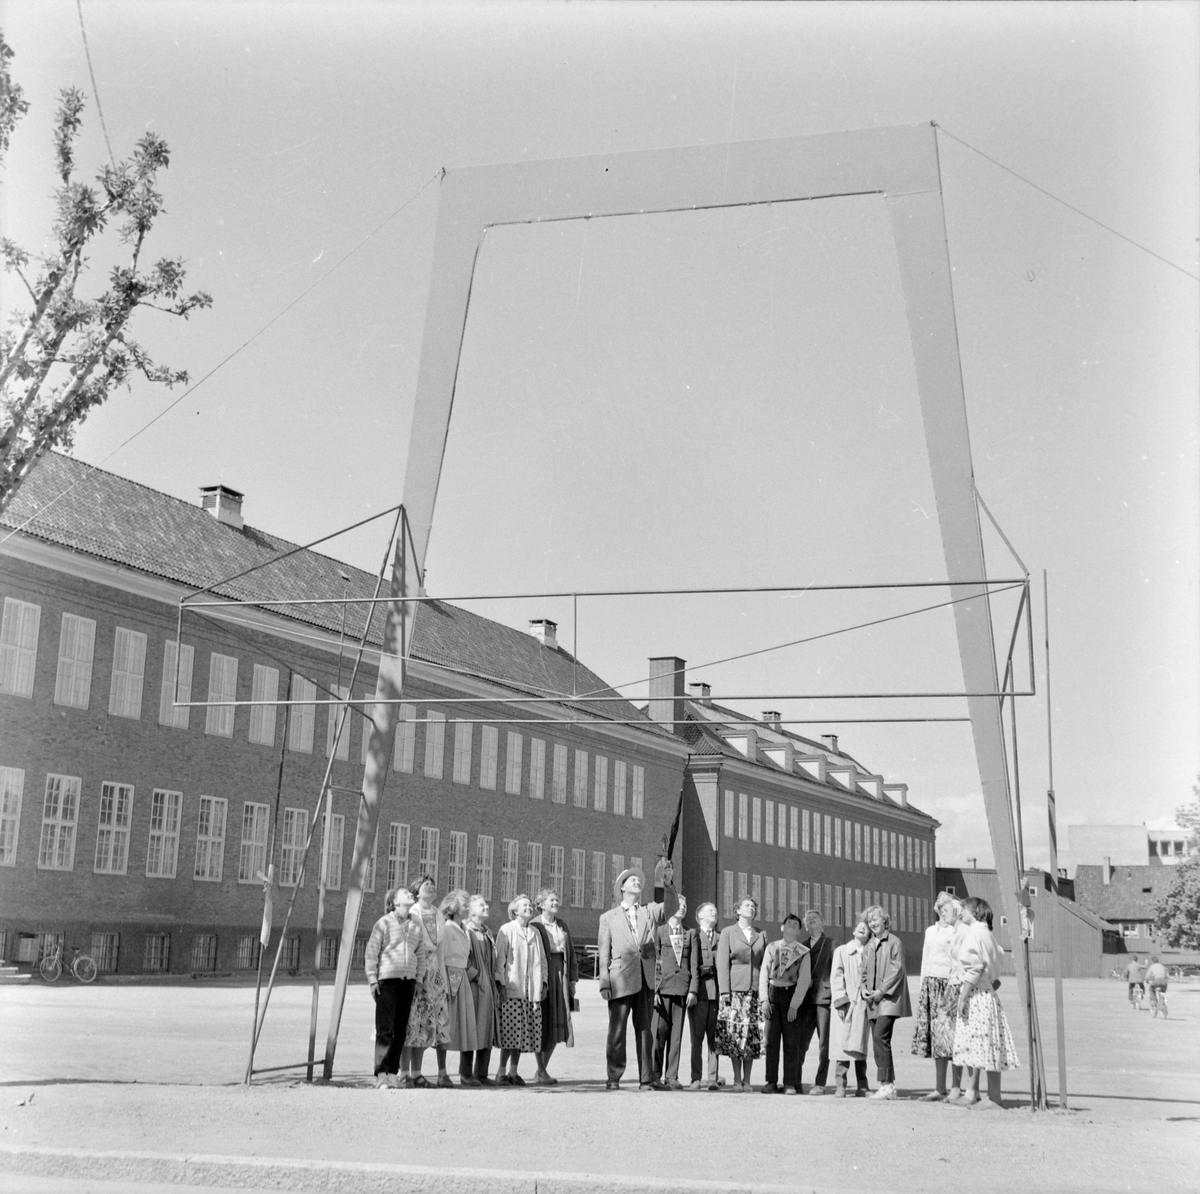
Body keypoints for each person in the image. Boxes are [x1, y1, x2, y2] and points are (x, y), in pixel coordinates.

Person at [597, 865, 669, 1090]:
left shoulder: (649, 911)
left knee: (645, 1030)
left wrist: (667, 882)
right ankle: (614, 1077)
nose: (638, 882)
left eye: (639, 880)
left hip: (645, 978)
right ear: (622, 888)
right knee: (617, 1030)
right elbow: (603, 953)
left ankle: (646, 1078)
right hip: (620, 978)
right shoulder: (608, 917)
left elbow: (673, 908)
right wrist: (604, 982)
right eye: (632, 880)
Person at [952, 896, 1018, 1110]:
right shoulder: (988, 934)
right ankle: (987, 1094)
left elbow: (974, 968)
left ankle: (994, 1098)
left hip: (976, 995)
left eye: (964, 908)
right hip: (986, 994)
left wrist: (963, 997)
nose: (960, 912)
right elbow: (996, 966)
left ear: (975, 911)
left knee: (982, 1044)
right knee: (986, 1045)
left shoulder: (974, 934)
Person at [364, 886, 422, 1088]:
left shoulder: (416, 924)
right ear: (395, 902)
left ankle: (392, 1072)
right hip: (387, 981)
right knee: (384, 1029)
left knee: (400, 1031)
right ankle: (381, 1073)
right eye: (405, 893)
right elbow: (372, 951)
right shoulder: (384, 923)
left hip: (408, 982)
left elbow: (420, 953)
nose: (410, 895)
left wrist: (419, 979)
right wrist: (372, 979)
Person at [913, 892, 967, 1101]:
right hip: (930, 985)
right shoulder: (930, 931)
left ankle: (956, 1087)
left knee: (951, 1037)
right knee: (937, 1039)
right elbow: (926, 958)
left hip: (948, 984)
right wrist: (922, 986)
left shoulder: (956, 931)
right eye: (940, 907)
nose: (943, 911)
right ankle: (939, 1087)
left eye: (947, 907)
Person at [402, 874, 451, 1087]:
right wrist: (415, 977)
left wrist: (442, 979)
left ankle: (418, 1073)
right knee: (413, 1022)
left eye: (433, 884)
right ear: (416, 891)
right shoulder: (413, 913)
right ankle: (405, 1073)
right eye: (426, 884)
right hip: (417, 969)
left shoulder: (439, 914)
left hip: (435, 973)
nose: (430, 886)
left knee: (429, 1024)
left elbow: (440, 949)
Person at [494, 893, 547, 1085]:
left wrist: (544, 983)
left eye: (530, 905)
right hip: (512, 988)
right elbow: (500, 959)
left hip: (531, 991)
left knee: (524, 1034)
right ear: (515, 910)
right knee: (510, 1033)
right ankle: (501, 1072)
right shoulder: (506, 930)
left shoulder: (535, 932)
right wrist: (500, 984)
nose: (529, 907)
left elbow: (542, 960)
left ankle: (513, 1072)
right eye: (524, 905)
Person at [716, 895, 768, 1091]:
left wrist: (764, 993)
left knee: (752, 1036)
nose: (751, 908)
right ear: (737, 910)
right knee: (735, 1035)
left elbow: (764, 964)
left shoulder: (761, 934)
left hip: (754, 991)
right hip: (734, 992)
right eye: (747, 905)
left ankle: (747, 1080)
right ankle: (737, 1080)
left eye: (753, 906)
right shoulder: (728, 933)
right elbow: (722, 963)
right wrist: (724, 992)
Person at [861, 902, 911, 1101]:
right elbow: (863, 971)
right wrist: (864, 988)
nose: (873, 923)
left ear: (885, 920)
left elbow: (896, 970)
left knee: (881, 1039)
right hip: (872, 1001)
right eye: (869, 920)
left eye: (876, 919)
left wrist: (881, 991)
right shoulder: (869, 945)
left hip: (888, 1000)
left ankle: (887, 1084)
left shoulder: (894, 942)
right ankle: (887, 1085)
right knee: (879, 1042)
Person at [530, 887, 578, 1085]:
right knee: (543, 1023)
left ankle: (542, 1070)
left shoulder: (562, 924)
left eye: (557, 900)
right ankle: (541, 1070)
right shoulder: (535, 925)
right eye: (551, 900)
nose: (556, 903)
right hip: (543, 974)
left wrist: (573, 981)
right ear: (541, 904)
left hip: (561, 976)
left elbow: (572, 953)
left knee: (559, 1023)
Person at [758, 912, 808, 1094]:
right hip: (773, 994)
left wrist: (794, 1005)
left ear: (799, 931)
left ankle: (789, 1083)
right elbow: (764, 972)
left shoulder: (803, 952)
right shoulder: (772, 947)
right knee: (771, 1040)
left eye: (796, 925)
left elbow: (804, 981)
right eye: (789, 924)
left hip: (791, 995)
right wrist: (764, 999)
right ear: (782, 927)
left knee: (791, 1041)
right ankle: (771, 1081)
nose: (792, 927)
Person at [651, 894, 695, 1090]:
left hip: (682, 989)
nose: (682, 908)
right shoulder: (660, 931)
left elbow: (693, 964)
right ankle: (654, 1074)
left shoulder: (690, 934)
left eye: (685, 905)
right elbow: (655, 962)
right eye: (679, 905)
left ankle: (672, 1075)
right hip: (663, 989)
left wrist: (692, 990)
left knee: (676, 1035)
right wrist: (654, 990)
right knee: (659, 1033)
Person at [829, 917, 872, 1098]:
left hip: (863, 1004)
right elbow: (836, 976)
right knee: (842, 1046)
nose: (862, 929)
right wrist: (840, 1000)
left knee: (860, 1046)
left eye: (866, 928)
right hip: (846, 1003)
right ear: (853, 931)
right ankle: (840, 1085)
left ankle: (862, 1085)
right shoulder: (842, 951)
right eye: (859, 927)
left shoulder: (871, 952)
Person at [440, 889, 478, 1087]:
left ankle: (465, 1073)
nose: (467, 909)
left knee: (465, 1025)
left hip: (462, 977)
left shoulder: (466, 930)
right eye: (465, 905)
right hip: (449, 978)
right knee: (445, 1025)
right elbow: (442, 955)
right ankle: (441, 1071)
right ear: (454, 907)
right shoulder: (446, 928)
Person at [462, 894, 502, 1085]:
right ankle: (465, 1074)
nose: (486, 907)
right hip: (474, 986)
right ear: (470, 910)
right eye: (481, 905)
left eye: (486, 904)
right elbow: (462, 958)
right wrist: (476, 976)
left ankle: (481, 1073)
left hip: (489, 987)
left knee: (487, 1028)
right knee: (472, 1028)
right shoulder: (466, 931)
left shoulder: (488, 932)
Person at [795, 909, 835, 1094]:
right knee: (801, 1042)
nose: (810, 920)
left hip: (823, 998)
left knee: (823, 1044)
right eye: (807, 919)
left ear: (823, 922)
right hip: (805, 999)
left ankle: (820, 1083)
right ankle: (796, 1081)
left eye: (815, 918)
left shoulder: (832, 944)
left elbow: (837, 971)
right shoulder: (801, 946)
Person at [688, 901, 723, 1091]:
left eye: (715, 911)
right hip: (699, 992)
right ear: (700, 916)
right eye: (710, 911)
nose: (714, 913)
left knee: (714, 1038)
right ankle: (695, 1078)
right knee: (697, 1037)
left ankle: (712, 1078)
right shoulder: (693, 936)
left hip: (715, 993)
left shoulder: (721, 937)